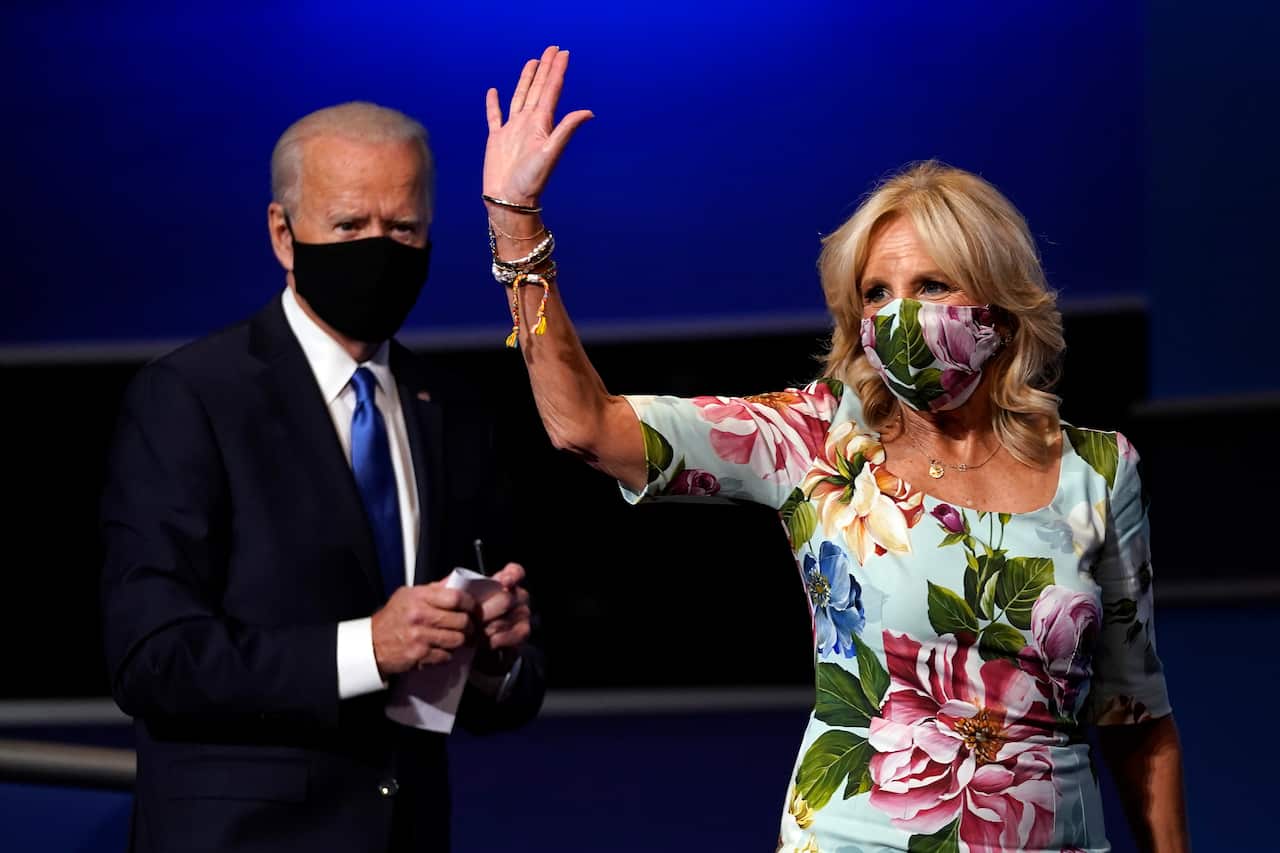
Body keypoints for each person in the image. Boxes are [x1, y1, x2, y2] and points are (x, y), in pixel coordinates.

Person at [480, 47, 1190, 852]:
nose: (899, 316)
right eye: (875, 294)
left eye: (931, 286)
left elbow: (1135, 713)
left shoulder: (1100, 469)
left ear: (997, 304)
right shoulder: (817, 440)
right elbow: (586, 425)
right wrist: (516, 226)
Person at [101, 102, 543, 853]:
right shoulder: (189, 398)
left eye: (403, 228)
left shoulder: (453, 410)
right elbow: (152, 658)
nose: (380, 248)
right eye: (349, 226)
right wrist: (367, 647)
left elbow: (501, 689)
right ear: (284, 234)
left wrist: (495, 658)